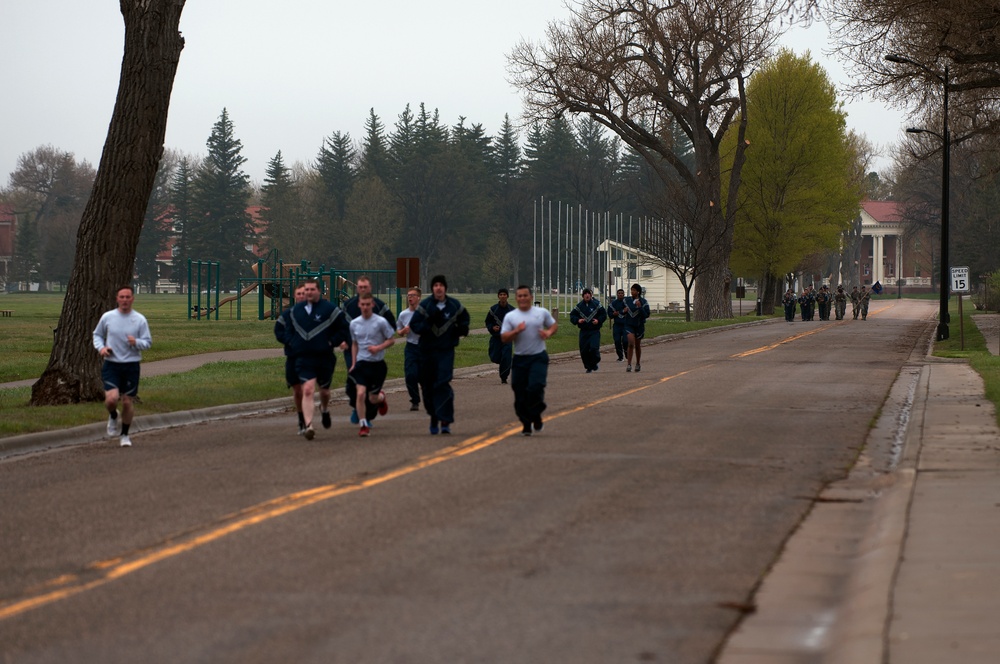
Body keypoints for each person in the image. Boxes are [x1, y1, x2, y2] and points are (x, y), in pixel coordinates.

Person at [287, 278, 350, 440]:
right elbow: (286, 330)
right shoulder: (296, 311)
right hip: (304, 357)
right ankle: (308, 425)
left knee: (324, 391)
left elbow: (343, 329)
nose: (308, 292)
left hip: (325, 357)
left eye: (311, 289)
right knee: (307, 389)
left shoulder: (330, 309)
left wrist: (331, 341)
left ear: (319, 291)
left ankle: (324, 408)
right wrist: (293, 343)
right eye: (306, 290)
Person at [408, 274, 470, 435]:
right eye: (435, 285)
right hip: (427, 351)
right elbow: (415, 325)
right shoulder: (425, 306)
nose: (438, 287)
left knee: (442, 383)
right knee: (428, 386)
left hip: (445, 351)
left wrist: (461, 329)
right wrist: (428, 323)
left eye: (441, 285)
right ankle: (434, 416)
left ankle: (445, 419)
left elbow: (465, 319)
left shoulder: (454, 305)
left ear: (445, 288)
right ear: (432, 288)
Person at [93, 285, 152, 447]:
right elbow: (97, 335)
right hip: (112, 365)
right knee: (111, 400)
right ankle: (113, 415)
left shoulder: (139, 319)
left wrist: (137, 342)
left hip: (131, 365)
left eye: (128, 297)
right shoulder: (108, 317)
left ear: (132, 299)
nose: (125, 300)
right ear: (117, 299)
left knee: (127, 402)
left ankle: (125, 435)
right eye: (122, 297)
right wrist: (102, 348)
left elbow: (148, 342)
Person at [500, 285, 558, 436]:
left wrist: (548, 332)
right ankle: (526, 423)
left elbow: (553, 325)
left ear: (531, 297)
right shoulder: (511, 317)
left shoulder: (541, 312)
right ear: (516, 298)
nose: (522, 298)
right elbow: (504, 338)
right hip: (520, 359)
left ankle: (536, 414)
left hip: (538, 357)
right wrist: (516, 331)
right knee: (519, 393)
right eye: (519, 296)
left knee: (535, 387)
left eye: (525, 295)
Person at [341, 276, 396, 424]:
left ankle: (366, 417)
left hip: (373, 354)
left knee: (367, 387)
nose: (362, 290)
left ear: (370, 288)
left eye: (365, 287)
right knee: (353, 384)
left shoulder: (379, 306)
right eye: (360, 287)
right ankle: (357, 408)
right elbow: (339, 325)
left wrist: (380, 343)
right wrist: (341, 340)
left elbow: (391, 325)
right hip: (352, 350)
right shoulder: (348, 305)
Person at [349, 293, 396, 437]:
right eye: (362, 304)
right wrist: (353, 363)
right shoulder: (354, 323)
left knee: (372, 398)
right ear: (359, 305)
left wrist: (378, 348)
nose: (365, 307)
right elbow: (355, 344)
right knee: (361, 393)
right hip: (362, 364)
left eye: (367, 304)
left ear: (372, 305)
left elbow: (391, 340)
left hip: (378, 365)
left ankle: (381, 398)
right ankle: (363, 425)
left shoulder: (380, 322)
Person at [274, 284, 308, 434]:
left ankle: (308, 420)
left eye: (303, 293)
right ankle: (301, 418)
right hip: (293, 356)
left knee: (307, 388)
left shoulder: (313, 314)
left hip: (309, 357)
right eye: (298, 294)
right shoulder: (288, 315)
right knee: (297, 390)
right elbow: (279, 331)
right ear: (295, 296)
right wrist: (290, 342)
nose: (301, 296)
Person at [395, 287, 422, 411]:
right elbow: (398, 331)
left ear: (418, 298)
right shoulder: (403, 314)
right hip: (411, 347)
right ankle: (415, 400)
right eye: (409, 295)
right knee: (410, 375)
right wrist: (402, 331)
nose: (410, 297)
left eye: (413, 295)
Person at [570, 288, 607, 372]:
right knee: (584, 350)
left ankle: (594, 362)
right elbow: (572, 316)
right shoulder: (579, 306)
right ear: (583, 296)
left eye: (588, 294)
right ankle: (588, 367)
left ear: (591, 295)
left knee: (594, 348)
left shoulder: (597, 304)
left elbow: (604, 314)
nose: (587, 295)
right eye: (585, 294)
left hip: (594, 331)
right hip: (584, 331)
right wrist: (577, 320)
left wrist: (598, 321)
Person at [485, 287, 514, 383]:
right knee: (495, 357)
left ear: (507, 296)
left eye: (504, 294)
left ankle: (504, 377)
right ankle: (509, 362)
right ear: (498, 296)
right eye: (501, 295)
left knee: (506, 356)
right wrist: (492, 327)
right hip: (496, 337)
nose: (502, 296)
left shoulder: (512, 310)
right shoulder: (493, 310)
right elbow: (488, 321)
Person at [624, 283, 650, 373]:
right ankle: (629, 364)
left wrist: (640, 307)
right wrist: (623, 311)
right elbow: (620, 310)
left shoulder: (643, 302)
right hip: (629, 325)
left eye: (634, 290)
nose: (632, 292)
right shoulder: (627, 300)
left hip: (639, 326)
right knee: (631, 343)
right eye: (631, 290)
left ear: (638, 292)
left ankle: (638, 363)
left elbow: (647, 314)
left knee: (637, 345)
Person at [607, 288, 628, 361]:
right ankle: (620, 357)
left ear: (624, 294)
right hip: (617, 325)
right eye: (619, 293)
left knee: (625, 341)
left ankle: (626, 351)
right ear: (617, 294)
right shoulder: (613, 304)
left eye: (622, 293)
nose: (620, 295)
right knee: (617, 341)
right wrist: (613, 314)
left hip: (626, 325)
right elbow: (609, 313)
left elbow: (631, 311)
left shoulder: (627, 303)